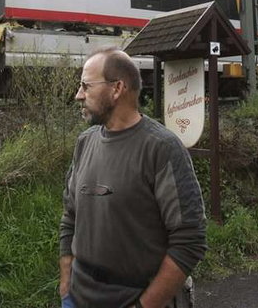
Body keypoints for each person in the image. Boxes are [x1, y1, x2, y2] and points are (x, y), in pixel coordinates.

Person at [59, 47, 207, 308]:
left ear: (117, 89)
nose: (78, 95)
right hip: (78, 298)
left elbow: (190, 240)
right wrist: (65, 287)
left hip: (135, 299)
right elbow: (70, 216)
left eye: (85, 86)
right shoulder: (85, 142)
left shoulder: (161, 148)